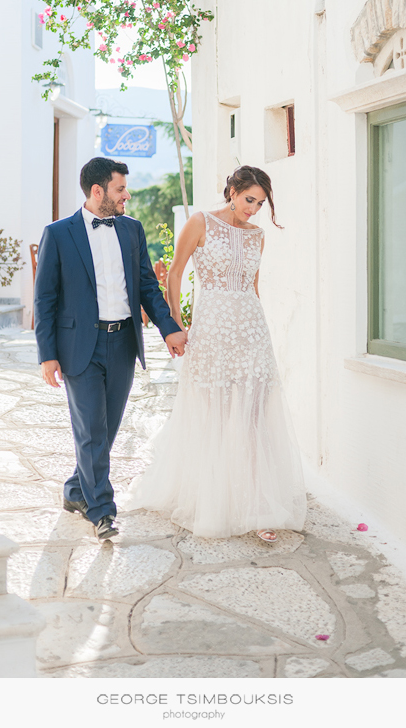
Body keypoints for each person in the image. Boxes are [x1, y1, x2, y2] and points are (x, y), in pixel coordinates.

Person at [126, 166, 307, 542]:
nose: (254, 209)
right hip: (210, 332)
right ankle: (213, 500)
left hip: (252, 332)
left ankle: (259, 506)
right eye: (249, 200)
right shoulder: (200, 222)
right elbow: (175, 273)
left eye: (260, 203)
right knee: (213, 413)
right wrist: (176, 323)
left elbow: (253, 288)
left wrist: (257, 335)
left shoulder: (257, 237)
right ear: (233, 191)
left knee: (254, 415)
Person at [34, 157, 187, 541]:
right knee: (91, 431)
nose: (127, 195)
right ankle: (102, 510)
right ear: (98, 190)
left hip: (122, 343)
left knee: (107, 428)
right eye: (120, 188)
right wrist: (47, 354)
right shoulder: (59, 233)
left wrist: (169, 328)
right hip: (77, 347)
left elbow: (148, 287)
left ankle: (75, 490)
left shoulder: (132, 231)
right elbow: (45, 300)